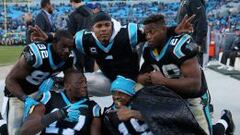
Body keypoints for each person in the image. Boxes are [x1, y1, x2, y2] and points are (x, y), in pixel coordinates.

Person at [30, 11, 194, 96]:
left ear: (111, 25)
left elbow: (153, 34)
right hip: (107, 78)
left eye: (106, 25)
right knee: (75, 83)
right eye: (99, 26)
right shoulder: (85, 40)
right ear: (92, 29)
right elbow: (67, 41)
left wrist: (174, 30)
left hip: (131, 78)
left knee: (128, 98)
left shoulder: (127, 34)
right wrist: (49, 37)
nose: (103, 30)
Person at [138, 14, 211, 134]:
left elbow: (195, 85)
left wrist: (163, 81)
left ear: (163, 29)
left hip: (193, 99)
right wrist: (144, 78)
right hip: (171, 99)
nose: (148, 37)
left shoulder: (181, 45)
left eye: (152, 32)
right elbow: (142, 75)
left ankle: (224, 121)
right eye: (146, 34)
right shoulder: (149, 50)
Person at [4, 30, 75, 135]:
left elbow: (71, 79)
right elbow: (10, 79)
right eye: (63, 46)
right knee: (16, 132)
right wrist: (26, 99)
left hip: (41, 94)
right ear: (54, 43)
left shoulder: (68, 57)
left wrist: (57, 80)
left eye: (70, 48)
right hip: (18, 95)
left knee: (42, 128)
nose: (66, 51)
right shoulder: (37, 54)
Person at [20, 69, 101, 135]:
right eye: (79, 83)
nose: (85, 85)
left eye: (85, 82)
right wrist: (59, 114)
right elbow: (26, 131)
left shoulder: (92, 107)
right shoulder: (50, 98)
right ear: (67, 85)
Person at [176, 0, 208, 66]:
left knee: (195, 71)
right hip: (184, 43)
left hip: (192, 43)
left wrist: (197, 43)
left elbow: (201, 22)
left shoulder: (194, 1)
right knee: (186, 72)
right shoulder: (183, 2)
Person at [68, 0, 95, 72]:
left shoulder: (73, 15)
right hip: (90, 42)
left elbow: (71, 32)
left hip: (78, 44)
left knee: (78, 68)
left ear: (73, 2)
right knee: (90, 68)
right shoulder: (91, 12)